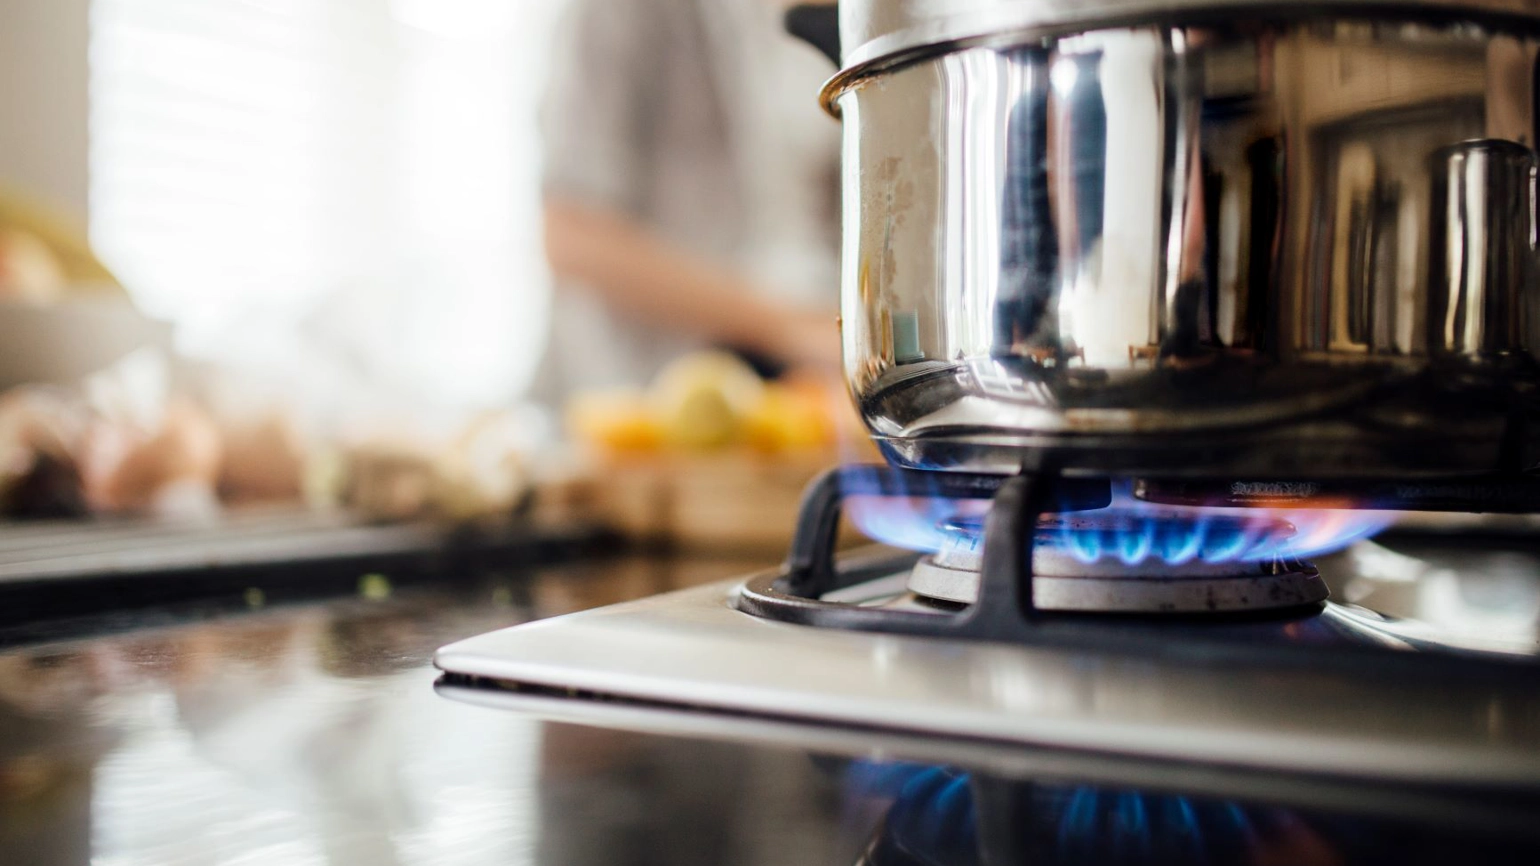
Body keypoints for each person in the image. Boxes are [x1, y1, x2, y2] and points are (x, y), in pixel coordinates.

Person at [535, 0, 842, 401]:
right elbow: (573, 234)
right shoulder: (618, 12)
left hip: (784, 388)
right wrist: (792, 328)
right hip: (638, 393)